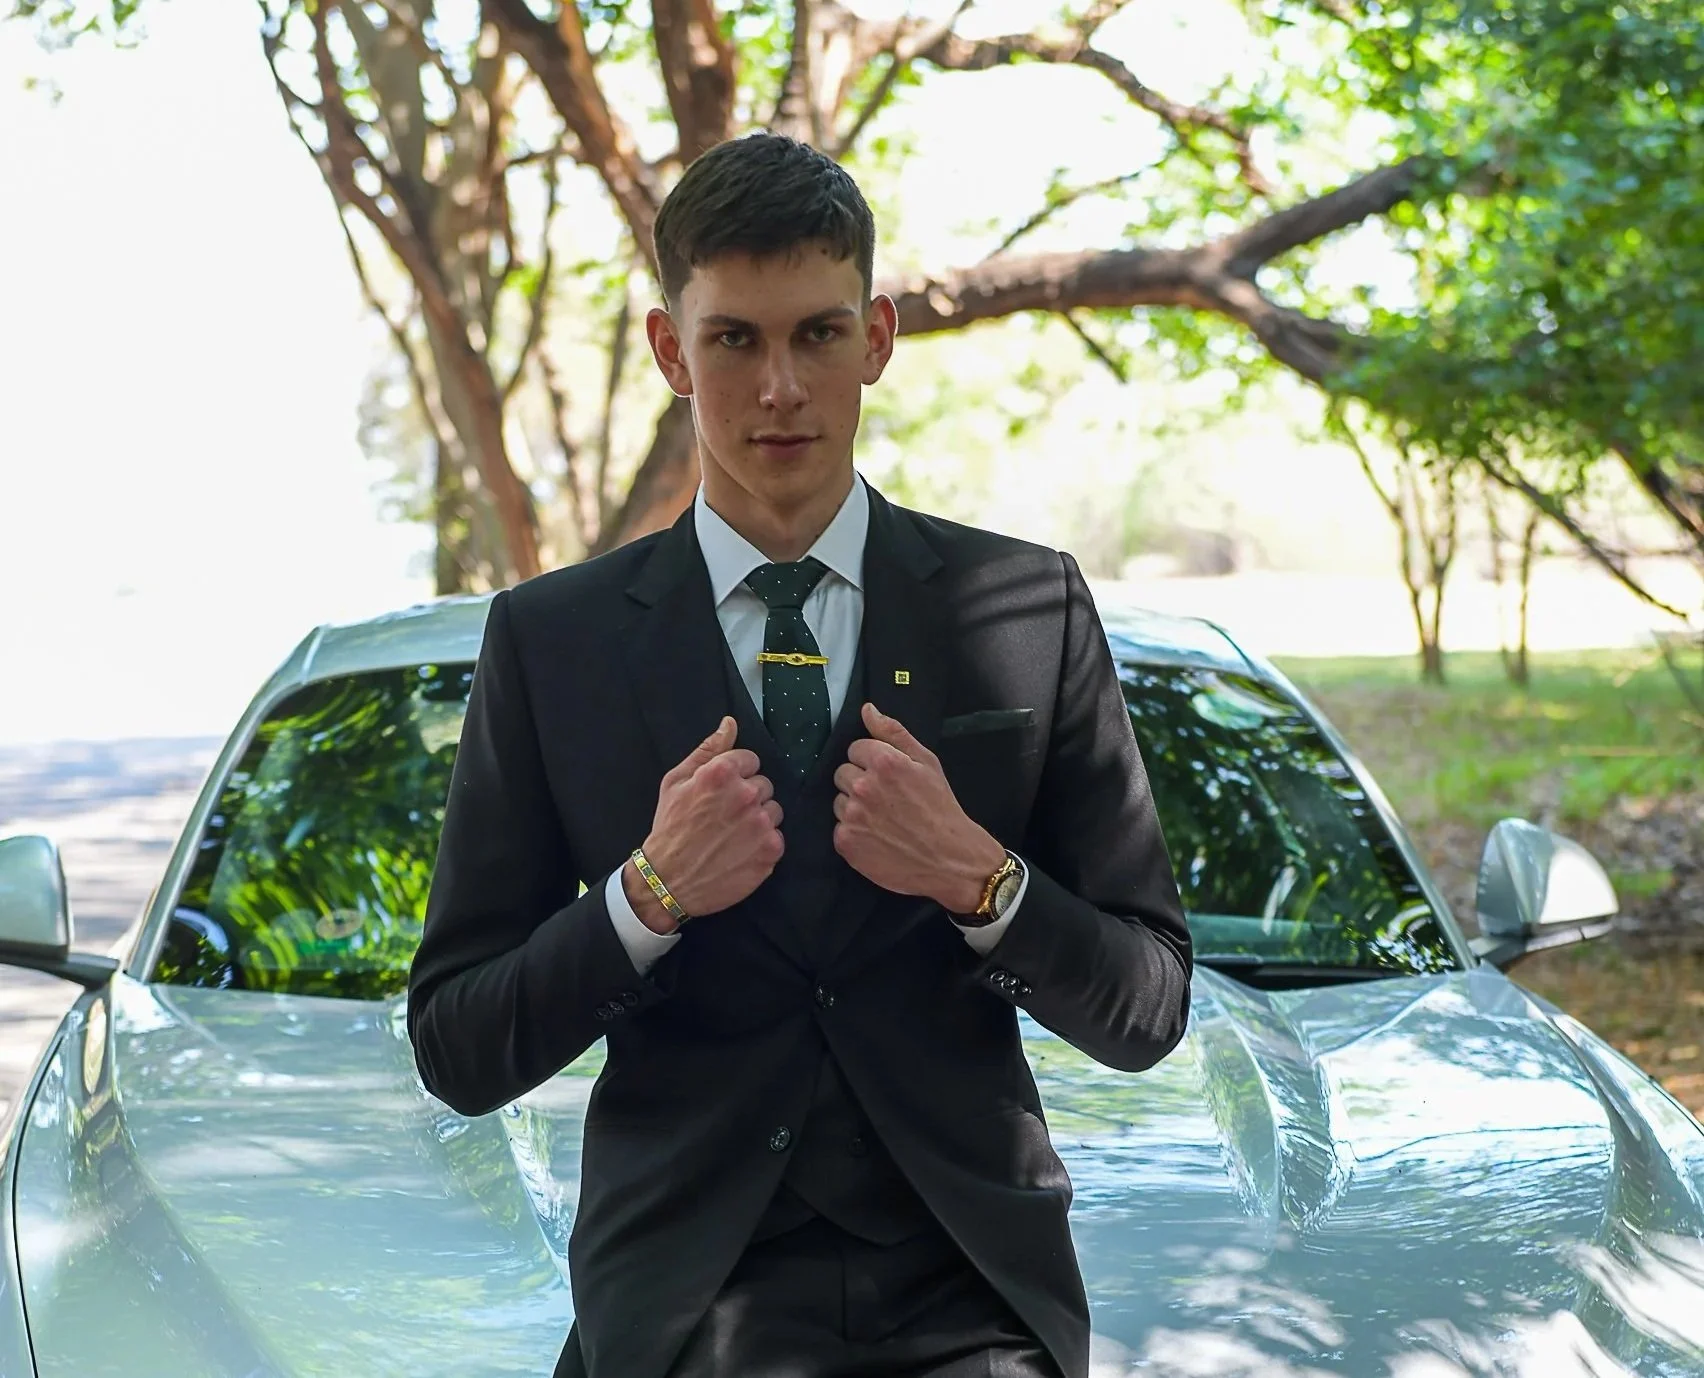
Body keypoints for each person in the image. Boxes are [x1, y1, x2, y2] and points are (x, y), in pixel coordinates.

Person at [407, 131, 1192, 1378]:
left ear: (875, 337)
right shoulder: (549, 643)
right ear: (673, 349)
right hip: (684, 1305)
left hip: (971, 1298)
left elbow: (1149, 1008)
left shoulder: (1028, 608)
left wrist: (981, 881)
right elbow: (457, 1047)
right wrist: (644, 897)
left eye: (818, 335)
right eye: (735, 340)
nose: (780, 388)